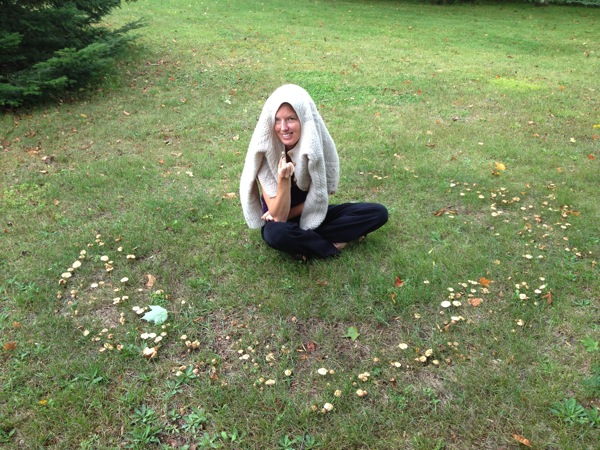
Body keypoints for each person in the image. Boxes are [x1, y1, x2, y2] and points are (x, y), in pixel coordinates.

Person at [240, 84, 388, 260]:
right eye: (277, 120)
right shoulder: (265, 154)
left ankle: (304, 245)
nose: (283, 127)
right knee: (275, 234)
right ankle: (331, 247)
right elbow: (278, 216)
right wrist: (283, 180)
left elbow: (319, 200)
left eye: (290, 119)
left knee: (378, 212)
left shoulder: (315, 148)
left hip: (314, 213)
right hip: (281, 224)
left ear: (303, 119)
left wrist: (310, 207)